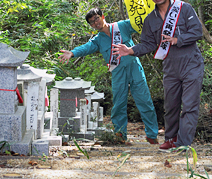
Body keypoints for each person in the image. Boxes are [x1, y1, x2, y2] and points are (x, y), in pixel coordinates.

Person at [112, 0, 204, 151]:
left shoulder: (184, 9)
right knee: (171, 106)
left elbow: (197, 31)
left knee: (190, 106)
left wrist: (177, 39)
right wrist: (129, 50)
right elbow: (147, 44)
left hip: (191, 64)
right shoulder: (150, 19)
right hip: (170, 67)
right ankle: (170, 138)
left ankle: (183, 144)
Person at [58, 8, 159, 144]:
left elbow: (139, 22)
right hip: (117, 71)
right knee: (119, 103)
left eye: (96, 19)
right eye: (92, 23)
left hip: (134, 67)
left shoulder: (122, 26)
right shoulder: (98, 40)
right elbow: (86, 47)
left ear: (103, 16)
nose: (95, 23)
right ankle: (120, 135)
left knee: (144, 99)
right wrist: (72, 53)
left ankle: (152, 134)